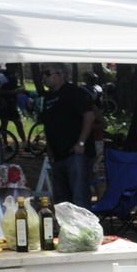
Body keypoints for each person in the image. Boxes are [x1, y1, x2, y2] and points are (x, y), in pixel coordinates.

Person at [39, 63, 96, 209]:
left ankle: (84, 230)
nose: (43, 77)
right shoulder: (47, 98)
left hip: (76, 154)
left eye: (47, 73)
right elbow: (48, 124)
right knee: (62, 200)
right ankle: (67, 230)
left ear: (61, 75)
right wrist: (49, 148)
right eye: (42, 74)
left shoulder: (74, 93)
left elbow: (89, 116)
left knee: (79, 197)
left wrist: (81, 143)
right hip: (58, 155)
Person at [0, 69, 27, 152]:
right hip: (2, 104)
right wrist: (12, 92)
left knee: (18, 123)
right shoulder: (2, 76)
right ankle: (5, 144)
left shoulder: (13, 75)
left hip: (11, 104)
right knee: (4, 123)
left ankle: (25, 144)